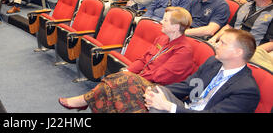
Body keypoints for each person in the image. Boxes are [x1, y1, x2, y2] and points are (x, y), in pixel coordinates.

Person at [58, 7, 195, 113]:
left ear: (176, 27)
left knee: (118, 82)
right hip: (142, 79)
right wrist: (128, 70)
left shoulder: (184, 50)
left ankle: (83, 100)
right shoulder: (162, 38)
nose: (161, 22)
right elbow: (143, 59)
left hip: (159, 89)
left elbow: (160, 76)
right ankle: (85, 101)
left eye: (165, 20)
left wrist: (131, 77)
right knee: (116, 82)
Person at [145, 29, 260, 113]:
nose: (216, 45)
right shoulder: (213, 63)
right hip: (187, 108)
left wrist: (168, 107)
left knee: (158, 107)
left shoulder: (246, 90)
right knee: (157, 92)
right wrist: (154, 90)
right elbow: (188, 86)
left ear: (238, 52)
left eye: (222, 43)